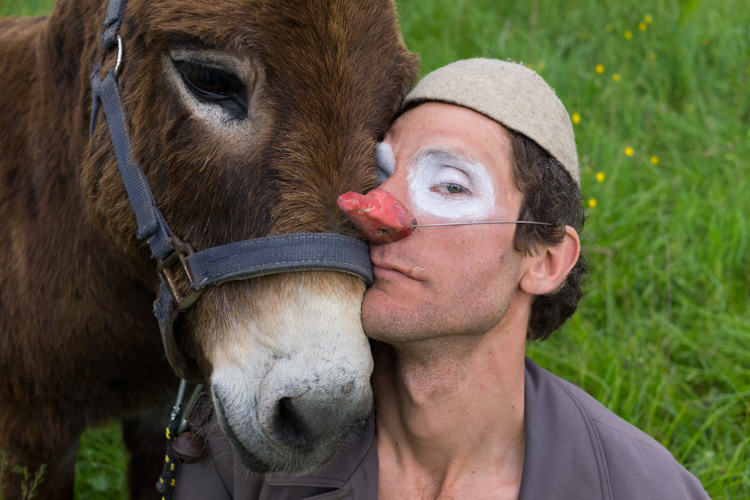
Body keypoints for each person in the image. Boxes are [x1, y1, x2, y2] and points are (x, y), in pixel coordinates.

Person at [172, 58, 709, 499]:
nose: (376, 209)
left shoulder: (643, 489)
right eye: (378, 174)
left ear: (545, 259)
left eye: (450, 186)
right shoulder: (251, 435)